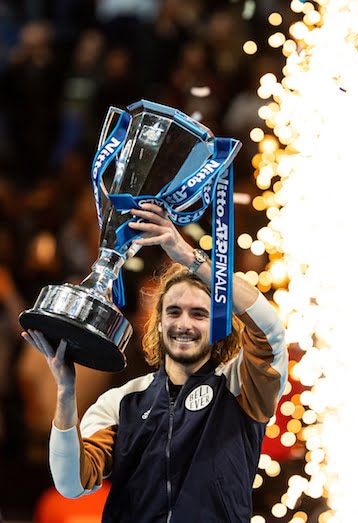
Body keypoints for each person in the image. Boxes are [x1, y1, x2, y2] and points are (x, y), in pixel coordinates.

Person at [22, 203, 288, 523]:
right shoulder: (120, 402)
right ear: (159, 323)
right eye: (174, 312)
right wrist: (65, 391)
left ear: (217, 325)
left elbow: (269, 330)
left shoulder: (241, 387)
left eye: (199, 313)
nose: (184, 323)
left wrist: (189, 256)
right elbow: (71, 484)